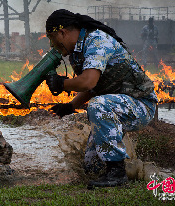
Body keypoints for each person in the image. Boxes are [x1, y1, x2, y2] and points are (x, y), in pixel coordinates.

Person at [44, 9, 158, 188]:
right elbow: (94, 86)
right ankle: (127, 168)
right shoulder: (77, 51)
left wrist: (62, 84)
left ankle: (117, 173)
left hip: (141, 104)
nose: (52, 44)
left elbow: (88, 82)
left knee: (98, 105)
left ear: (62, 32)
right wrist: (70, 106)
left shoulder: (97, 40)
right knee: (92, 166)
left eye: (52, 38)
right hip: (118, 105)